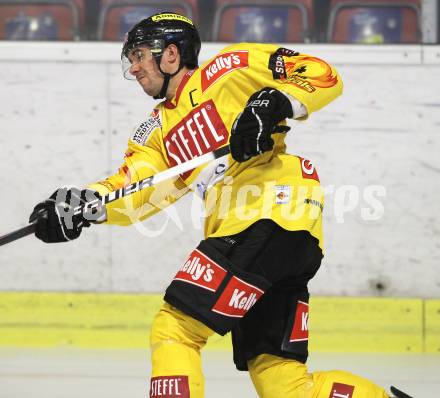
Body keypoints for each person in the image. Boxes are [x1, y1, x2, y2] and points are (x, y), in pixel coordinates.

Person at [29, 12, 411, 398]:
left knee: (175, 330)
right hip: (275, 234)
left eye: (141, 54)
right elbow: (138, 192)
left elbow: (320, 73)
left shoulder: (229, 68)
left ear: (172, 54)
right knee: (281, 381)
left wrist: (274, 102)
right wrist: (83, 206)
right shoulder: (156, 130)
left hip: (268, 213)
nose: (135, 66)